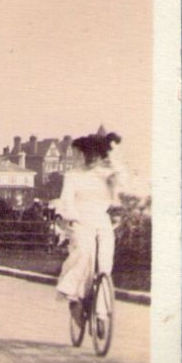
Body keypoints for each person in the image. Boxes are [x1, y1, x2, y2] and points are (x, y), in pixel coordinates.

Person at [55, 127, 123, 323]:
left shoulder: (107, 174)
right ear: (83, 154)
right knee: (84, 254)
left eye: (96, 154)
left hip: (101, 220)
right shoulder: (73, 175)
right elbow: (66, 199)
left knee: (104, 264)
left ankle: (101, 312)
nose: (92, 158)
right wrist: (70, 217)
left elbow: (119, 193)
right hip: (80, 220)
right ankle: (74, 297)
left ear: (101, 155)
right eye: (88, 154)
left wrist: (115, 178)